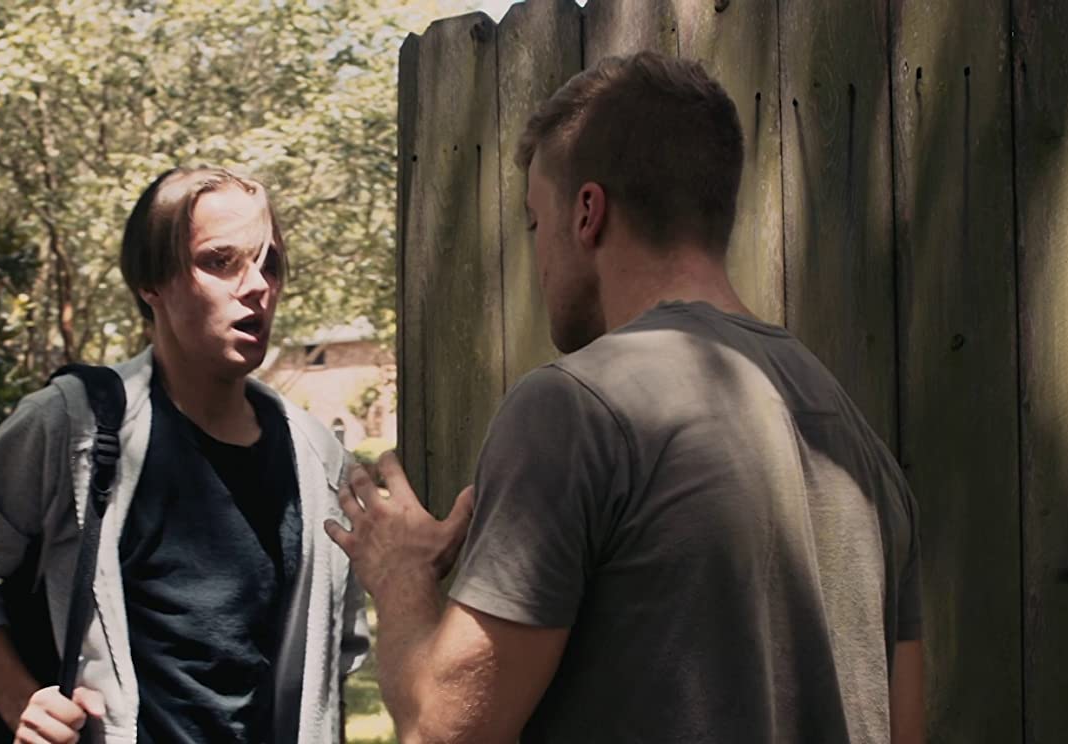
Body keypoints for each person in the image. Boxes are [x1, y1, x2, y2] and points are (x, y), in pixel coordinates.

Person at [326, 51, 924, 743]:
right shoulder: (855, 443)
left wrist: (401, 576)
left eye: (535, 223)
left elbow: (443, 728)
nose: (537, 256)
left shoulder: (573, 409)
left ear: (587, 213)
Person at [0, 166, 369, 744]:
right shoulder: (75, 424)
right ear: (152, 281)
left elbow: (334, 661)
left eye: (270, 264)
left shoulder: (319, 460)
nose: (257, 286)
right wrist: (19, 700)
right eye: (220, 261)